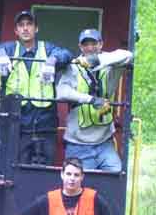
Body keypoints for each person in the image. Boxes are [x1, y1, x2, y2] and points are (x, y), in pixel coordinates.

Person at [0, 11, 73, 165]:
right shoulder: (9, 49)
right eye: (21, 25)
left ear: (36, 29)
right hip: (16, 124)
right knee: (16, 169)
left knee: (44, 172)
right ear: (16, 31)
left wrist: (53, 60)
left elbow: (67, 54)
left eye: (29, 24)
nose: (25, 29)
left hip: (45, 123)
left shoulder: (48, 48)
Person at [57, 29, 134, 171]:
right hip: (78, 144)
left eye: (94, 43)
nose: (90, 48)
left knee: (116, 175)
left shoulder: (111, 66)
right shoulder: (74, 67)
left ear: (101, 44)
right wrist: (91, 99)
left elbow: (128, 55)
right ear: (80, 47)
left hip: (105, 144)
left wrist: (97, 60)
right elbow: (61, 92)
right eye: (85, 45)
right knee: (81, 185)